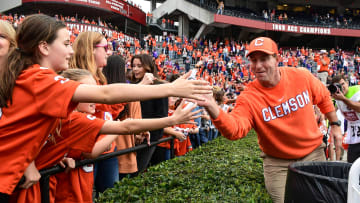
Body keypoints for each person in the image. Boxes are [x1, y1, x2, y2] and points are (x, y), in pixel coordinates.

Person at [0, 14, 211, 201]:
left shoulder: (30, 77)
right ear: (44, 47)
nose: (70, 50)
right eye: (65, 44)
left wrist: (29, 161)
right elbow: (107, 95)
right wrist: (170, 89)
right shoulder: (38, 79)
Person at [198, 37, 342, 203]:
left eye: (264, 59)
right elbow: (235, 130)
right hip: (277, 163)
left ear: (277, 58)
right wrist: (212, 107)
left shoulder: (300, 76)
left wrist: (335, 125)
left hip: (313, 154)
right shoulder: (249, 97)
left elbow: (323, 96)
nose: (258, 66)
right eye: (253, 60)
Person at [130, 54, 169, 173]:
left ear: (148, 67)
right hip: (131, 136)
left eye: (139, 66)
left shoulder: (159, 87)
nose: (135, 69)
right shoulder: (132, 86)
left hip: (148, 139)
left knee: (138, 171)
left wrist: (147, 136)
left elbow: (161, 116)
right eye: (133, 66)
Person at [330, 75, 360, 163]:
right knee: (351, 167)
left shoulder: (357, 90)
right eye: (338, 86)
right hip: (354, 139)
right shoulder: (338, 98)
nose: (341, 87)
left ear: (347, 83)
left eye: (343, 84)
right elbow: (332, 111)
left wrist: (343, 99)